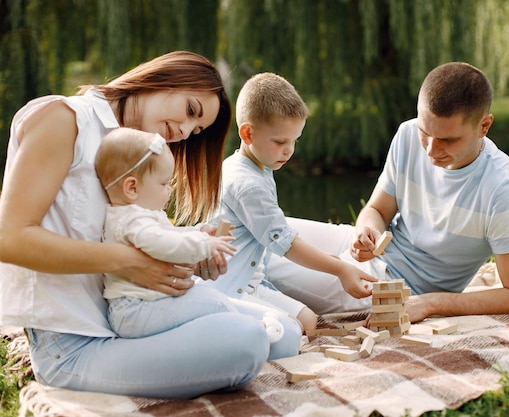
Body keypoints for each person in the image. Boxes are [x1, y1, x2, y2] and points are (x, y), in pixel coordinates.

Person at [0, 51, 300, 400]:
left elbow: (142, 241)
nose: (185, 131)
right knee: (248, 342)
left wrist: (191, 255)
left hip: (140, 317)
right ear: (164, 78)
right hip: (75, 345)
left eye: (196, 130)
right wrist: (129, 261)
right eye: (190, 111)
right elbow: (10, 238)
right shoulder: (65, 118)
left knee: (286, 333)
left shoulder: (138, 154)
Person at [265, 62, 509, 321]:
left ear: (484, 126)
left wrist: (431, 303)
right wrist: (367, 230)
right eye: (425, 132)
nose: (430, 150)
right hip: (359, 249)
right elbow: (376, 210)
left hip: (389, 288)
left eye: (447, 140)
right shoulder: (407, 135)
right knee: (255, 230)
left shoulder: (501, 186)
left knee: (258, 259)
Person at [208, 72, 377, 332]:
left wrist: (323, 258)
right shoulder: (247, 185)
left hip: (254, 280)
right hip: (232, 288)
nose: (289, 151)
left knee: (308, 321)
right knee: (288, 331)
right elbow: (285, 243)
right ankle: (227, 325)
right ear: (247, 133)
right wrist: (340, 269)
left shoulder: (256, 167)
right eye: (280, 142)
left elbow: (273, 236)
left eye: (295, 141)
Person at [94, 127, 286, 344]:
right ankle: (248, 331)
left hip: (145, 306)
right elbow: (162, 243)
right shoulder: (131, 219)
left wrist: (198, 231)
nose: (170, 189)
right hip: (136, 310)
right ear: (132, 188)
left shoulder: (138, 216)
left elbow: (168, 234)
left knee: (209, 298)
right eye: (164, 183)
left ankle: (244, 329)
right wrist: (205, 244)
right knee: (211, 303)